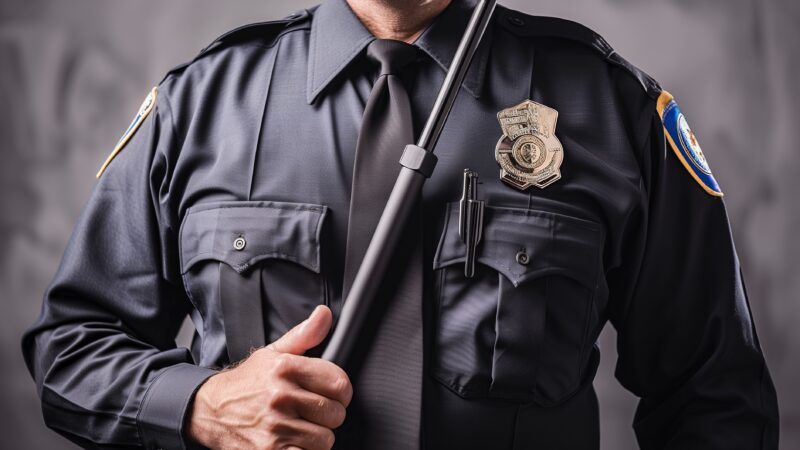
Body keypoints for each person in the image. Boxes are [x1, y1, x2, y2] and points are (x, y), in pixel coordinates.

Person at [22, 0, 779, 449]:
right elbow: (70, 351)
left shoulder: (612, 112)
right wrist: (198, 408)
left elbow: (715, 402)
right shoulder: (201, 104)